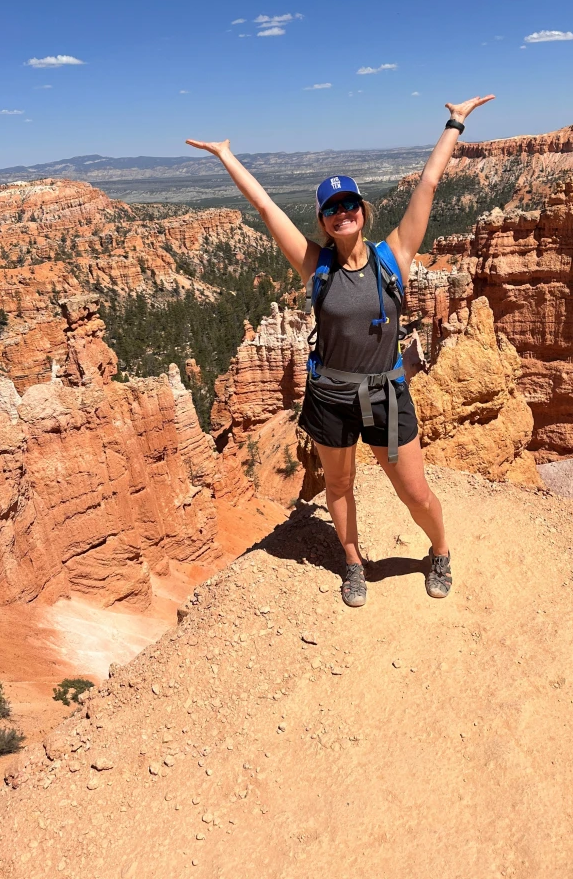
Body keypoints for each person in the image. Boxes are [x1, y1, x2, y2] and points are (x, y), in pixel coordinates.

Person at [187, 94, 495, 607]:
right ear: (323, 220)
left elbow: (429, 185)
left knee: (414, 492)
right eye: (331, 209)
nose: (341, 213)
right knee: (339, 484)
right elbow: (266, 208)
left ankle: (439, 550)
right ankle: (353, 563)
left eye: (349, 204)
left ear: (362, 211)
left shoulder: (392, 255)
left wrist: (454, 123)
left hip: (387, 396)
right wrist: (226, 156)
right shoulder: (316, 266)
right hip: (330, 395)